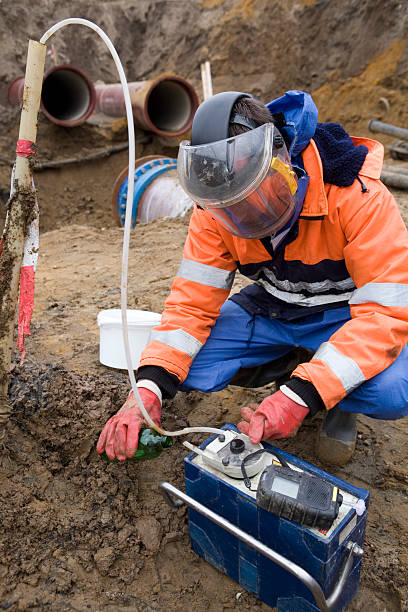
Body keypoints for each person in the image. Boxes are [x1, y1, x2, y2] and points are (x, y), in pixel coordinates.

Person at [97, 90, 408, 465]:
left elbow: (384, 315)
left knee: (393, 391)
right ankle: (299, 367)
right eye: (231, 207)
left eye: (253, 196)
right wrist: (147, 388)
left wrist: (300, 397)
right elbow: (190, 306)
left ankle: (330, 396)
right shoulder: (213, 209)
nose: (244, 217)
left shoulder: (357, 195)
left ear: (281, 163)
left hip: (344, 318)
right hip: (273, 310)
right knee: (180, 369)